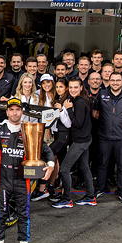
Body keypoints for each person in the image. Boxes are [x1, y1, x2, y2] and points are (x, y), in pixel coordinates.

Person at [0, 98, 53, 243]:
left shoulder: (29, 130)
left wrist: (51, 166)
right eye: (12, 110)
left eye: (18, 110)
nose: (15, 112)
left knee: (23, 214)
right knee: (1, 214)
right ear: (7, 111)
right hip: (2, 180)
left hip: (22, 179)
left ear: (22, 112)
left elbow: (47, 150)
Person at [93, 72, 122, 204]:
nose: (115, 83)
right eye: (112, 80)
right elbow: (95, 113)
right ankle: (101, 188)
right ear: (109, 81)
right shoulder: (102, 95)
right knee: (102, 163)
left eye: (118, 80)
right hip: (104, 137)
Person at [51, 79, 97, 209]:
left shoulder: (80, 102)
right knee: (84, 167)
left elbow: (77, 124)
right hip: (84, 139)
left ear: (81, 87)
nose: (72, 89)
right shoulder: (76, 100)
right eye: (70, 87)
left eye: (75, 87)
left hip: (81, 141)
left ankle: (67, 199)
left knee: (65, 169)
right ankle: (90, 196)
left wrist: (68, 110)